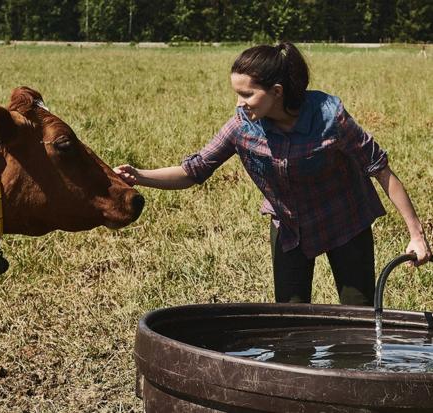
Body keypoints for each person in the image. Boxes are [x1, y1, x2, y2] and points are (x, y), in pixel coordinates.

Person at [114, 42, 431, 306]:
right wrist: (138, 175)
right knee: (289, 325)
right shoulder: (242, 127)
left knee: (358, 318)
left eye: (247, 95)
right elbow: (193, 170)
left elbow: (380, 168)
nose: (239, 103)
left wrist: (416, 235)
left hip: (344, 222)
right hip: (290, 230)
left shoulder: (330, 118)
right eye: (237, 94)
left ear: (276, 91)